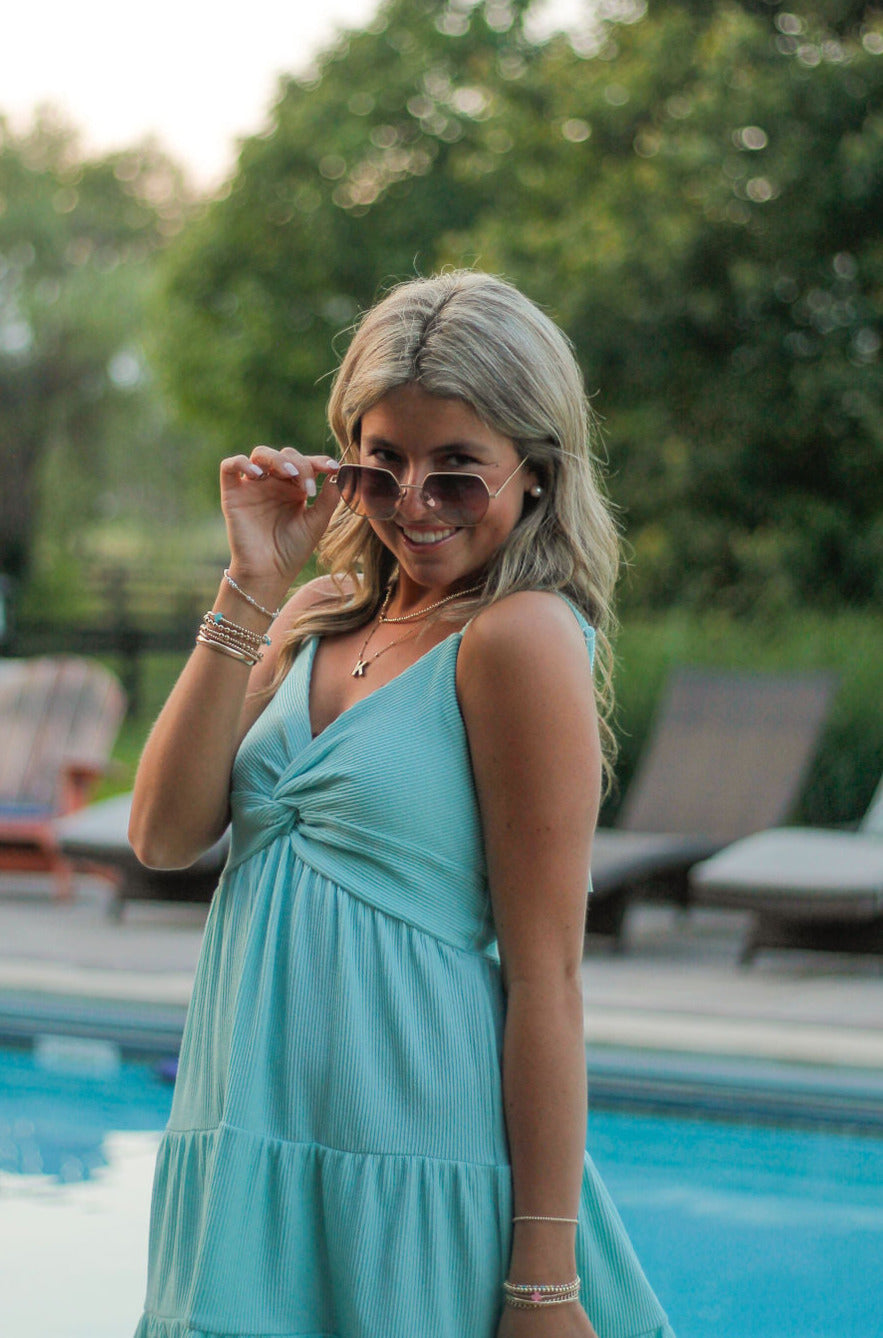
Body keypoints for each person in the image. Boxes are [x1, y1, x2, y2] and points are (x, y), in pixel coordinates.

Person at [129, 270, 674, 1338]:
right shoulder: (318, 616)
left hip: (411, 1158)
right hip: (245, 1141)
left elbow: (548, 981)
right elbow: (160, 834)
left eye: (456, 474)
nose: (414, 503)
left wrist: (543, 1281)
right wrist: (251, 586)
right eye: (381, 468)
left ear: (534, 474)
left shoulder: (517, 639)